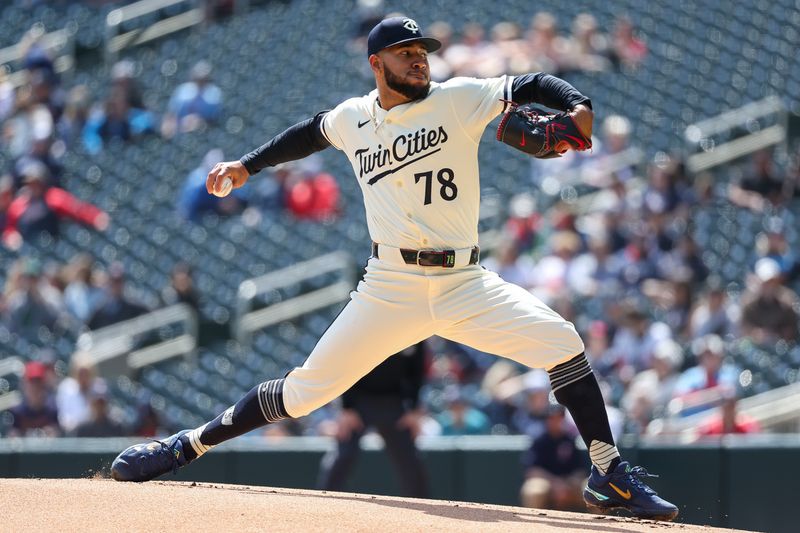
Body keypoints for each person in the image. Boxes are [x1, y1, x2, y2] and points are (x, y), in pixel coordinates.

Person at [111, 16, 677, 521]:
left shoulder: (459, 98)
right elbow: (308, 133)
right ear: (376, 63)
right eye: (408, 52)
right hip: (390, 286)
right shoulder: (353, 118)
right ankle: (185, 446)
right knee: (305, 393)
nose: (420, 58)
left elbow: (529, 83)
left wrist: (576, 103)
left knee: (562, 339)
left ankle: (608, 476)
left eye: (423, 51)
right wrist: (245, 166)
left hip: (463, 282)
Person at [317, 342, 429, 498]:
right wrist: (346, 407)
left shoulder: (414, 327)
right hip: (359, 402)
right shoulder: (364, 321)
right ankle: (325, 501)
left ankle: (422, 509)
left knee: (411, 461)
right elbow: (345, 364)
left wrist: (414, 409)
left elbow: (417, 371)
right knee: (343, 456)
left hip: (395, 403)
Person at [520, 405, 587, 511]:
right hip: (548, 482)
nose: (555, 421)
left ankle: (599, 525)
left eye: (559, 417)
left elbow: (580, 470)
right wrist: (556, 483)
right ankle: (534, 525)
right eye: (552, 418)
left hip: (568, 483)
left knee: (594, 491)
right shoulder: (539, 440)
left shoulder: (569, 439)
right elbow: (532, 471)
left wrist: (568, 483)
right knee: (534, 490)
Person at [8, 361, 60, 438]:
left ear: (44, 384)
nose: (35, 387)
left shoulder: (53, 409)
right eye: (32, 383)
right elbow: (12, 438)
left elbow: (58, 437)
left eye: (38, 382)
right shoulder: (17, 411)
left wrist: (53, 434)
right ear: (25, 384)